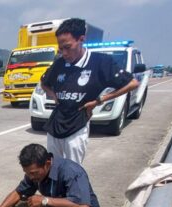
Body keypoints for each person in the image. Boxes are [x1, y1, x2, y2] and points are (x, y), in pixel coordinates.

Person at [40, 18, 139, 164]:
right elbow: (44, 83)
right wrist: (53, 96)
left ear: (81, 39)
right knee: (53, 169)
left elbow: (132, 83)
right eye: (61, 49)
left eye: (67, 47)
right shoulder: (59, 63)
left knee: (73, 170)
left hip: (77, 126)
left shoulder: (100, 62)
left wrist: (100, 100)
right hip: (55, 125)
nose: (64, 53)